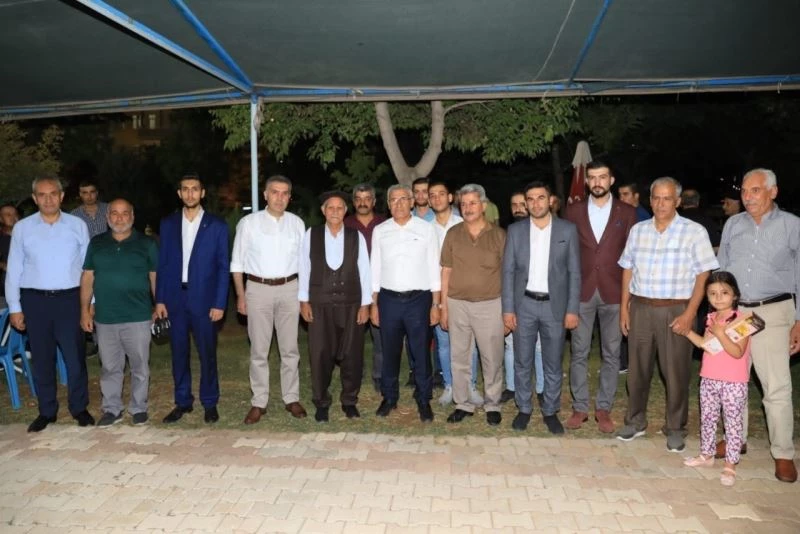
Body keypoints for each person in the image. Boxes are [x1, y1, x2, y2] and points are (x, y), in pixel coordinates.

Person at [616, 177, 718, 452]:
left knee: (676, 372)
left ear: (678, 201)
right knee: (637, 370)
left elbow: (703, 275)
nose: (661, 204)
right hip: (641, 307)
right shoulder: (638, 230)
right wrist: (624, 307)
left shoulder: (694, 231)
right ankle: (635, 421)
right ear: (650, 201)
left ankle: (675, 427)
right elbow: (627, 268)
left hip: (677, 309)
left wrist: (690, 313)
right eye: (656, 198)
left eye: (667, 198)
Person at [717, 168, 798, 483]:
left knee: (775, 386)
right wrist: (720, 314)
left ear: (773, 192)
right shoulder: (733, 224)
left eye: (755, 190)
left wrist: (799, 321)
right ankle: (736, 440)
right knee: (733, 382)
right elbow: (723, 270)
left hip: (774, 312)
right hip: (738, 314)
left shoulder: (792, 226)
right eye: (744, 191)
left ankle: (783, 454)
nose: (748, 197)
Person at [5, 177, 93, 432]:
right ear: (34, 198)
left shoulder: (77, 226)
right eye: (42, 195)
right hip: (35, 301)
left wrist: (90, 303)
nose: (48, 199)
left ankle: (79, 408)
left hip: (70, 300)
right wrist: (15, 307)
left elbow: (88, 269)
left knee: (75, 358)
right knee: (42, 359)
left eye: (53, 193)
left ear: (62, 196)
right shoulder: (22, 228)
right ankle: (47, 411)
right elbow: (14, 269)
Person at [502, 181, 580, 434]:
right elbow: (508, 272)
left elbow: (574, 272)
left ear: (551, 200)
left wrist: (572, 309)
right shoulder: (515, 231)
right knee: (522, 361)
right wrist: (508, 309)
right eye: (531, 199)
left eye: (541, 198)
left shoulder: (567, 230)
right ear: (526, 203)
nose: (536, 203)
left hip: (554, 307)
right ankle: (524, 408)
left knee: (553, 363)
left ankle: (550, 410)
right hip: (523, 304)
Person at [563, 161, 637, 433]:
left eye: (602, 177)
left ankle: (603, 407)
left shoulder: (627, 212)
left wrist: (629, 296)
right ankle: (580, 407)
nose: (597, 182)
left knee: (612, 353)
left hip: (614, 292)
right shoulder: (573, 211)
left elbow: (632, 254)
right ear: (587, 182)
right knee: (579, 351)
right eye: (592, 177)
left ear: (611, 180)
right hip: (581, 291)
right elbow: (567, 252)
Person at [231, 175, 307, 424]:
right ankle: (259, 401)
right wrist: (241, 295)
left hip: (289, 288)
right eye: (275, 192)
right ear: (265, 195)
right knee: (259, 350)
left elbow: (304, 264)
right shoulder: (248, 223)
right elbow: (237, 263)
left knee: (290, 349)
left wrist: (304, 296)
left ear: (290, 197)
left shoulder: (297, 224)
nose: (279, 197)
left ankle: (291, 398)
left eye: (285, 193)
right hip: (258, 289)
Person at [155, 174, 229, 424]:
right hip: (175, 299)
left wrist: (219, 303)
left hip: (205, 300)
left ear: (202, 193)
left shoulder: (217, 226)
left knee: (207, 353)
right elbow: (163, 264)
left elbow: (223, 267)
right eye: (185, 189)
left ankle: (210, 402)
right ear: (179, 194)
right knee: (178, 353)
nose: (190, 194)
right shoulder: (168, 224)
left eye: (194, 189)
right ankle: (183, 401)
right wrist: (160, 299)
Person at [80, 199, 158, 426]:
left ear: (132, 216)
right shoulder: (97, 243)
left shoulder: (146, 243)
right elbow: (87, 277)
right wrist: (84, 311)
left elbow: (155, 276)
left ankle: (139, 407)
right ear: (107, 217)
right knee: (109, 367)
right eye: (114, 213)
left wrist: (159, 304)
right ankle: (112, 409)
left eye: (125, 213)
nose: (120, 218)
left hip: (138, 316)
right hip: (105, 317)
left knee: (139, 366)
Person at [299, 191, 371, 422]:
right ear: (323, 210)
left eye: (340, 208)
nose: (335, 212)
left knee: (352, 354)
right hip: (320, 304)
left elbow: (365, 270)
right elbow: (304, 268)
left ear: (345, 211)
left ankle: (349, 401)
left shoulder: (355, 236)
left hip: (351, 304)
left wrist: (365, 304)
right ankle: (321, 402)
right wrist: (303, 301)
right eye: (331, 207)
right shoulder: (311, 235)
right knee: (320, 354)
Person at [370, 184, 440, 422]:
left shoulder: (426, 229)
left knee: (420, 352)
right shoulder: (380, 230)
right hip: (388, 299)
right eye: (393, 200)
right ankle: (389, 397)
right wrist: (374, 304)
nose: (398, 204)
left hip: (419, 300)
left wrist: (436, 304)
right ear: (388, 204)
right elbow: (375, 268)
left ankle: (423, 398)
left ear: (412, 202)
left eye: (403, 199)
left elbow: (434, 267)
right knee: (389, 351)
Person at [441, 184, 506, 426]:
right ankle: (463, 403)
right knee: (459, 356)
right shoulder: (453, 233)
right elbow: (446, 271)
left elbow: (508, 274)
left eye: (473, 203)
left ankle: (493, 404)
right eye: (464, 203)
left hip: (490, 304)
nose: (467, 208)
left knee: (492, 357)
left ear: (484, 206)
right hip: (457, 304)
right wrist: (443, 307)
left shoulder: (498, 235)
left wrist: (508, 310)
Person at [681, 271, 750, 487]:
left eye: (724, 292)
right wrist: (686, 332)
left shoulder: (743, 320)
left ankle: (730, 464)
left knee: (733, 422)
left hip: (733, 381)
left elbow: (737, 352)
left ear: (735, 295)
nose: (718, 297)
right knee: (708, 418)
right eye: (712, 293)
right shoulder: (711, 318)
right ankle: (706, 455)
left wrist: (721, 333)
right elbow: (707, 346)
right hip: (709, 377)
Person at [428, 180, 482, 407]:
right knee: (444, 342)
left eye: (441, 194)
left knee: (469, 343)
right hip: (438, 292)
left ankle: (470, 385)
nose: (437, 198)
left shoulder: (464, 223)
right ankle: (449, 385)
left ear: (451, 197)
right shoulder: (425, 228)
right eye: (432, 195)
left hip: (463, 291)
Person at [501, 192, 544, 405]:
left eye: (521, 204)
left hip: (538, 299)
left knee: (539, 347)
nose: (518, 208)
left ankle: (542, 389)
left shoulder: (542, 231)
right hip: (514, 299)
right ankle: (511, 387)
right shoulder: (507, 233)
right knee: (510, 345)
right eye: (514, 205)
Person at [344, 183, 386, 392]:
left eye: (367, 198)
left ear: (374, 201)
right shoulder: (345, 225)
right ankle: (355, 375)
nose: (363, 202)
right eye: (358, 199)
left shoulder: (384, 224)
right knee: (353, 338)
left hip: (381, 288)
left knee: (380, 336)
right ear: (353, 202)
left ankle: (380, 376)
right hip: (354, 289)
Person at [0, 203, 20, 309]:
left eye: (15, 214)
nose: (13, 217)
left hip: (27, 290)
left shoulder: (27, 235)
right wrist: (3, 265)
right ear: (1, 219)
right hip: (3, 292)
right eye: (8, 215)